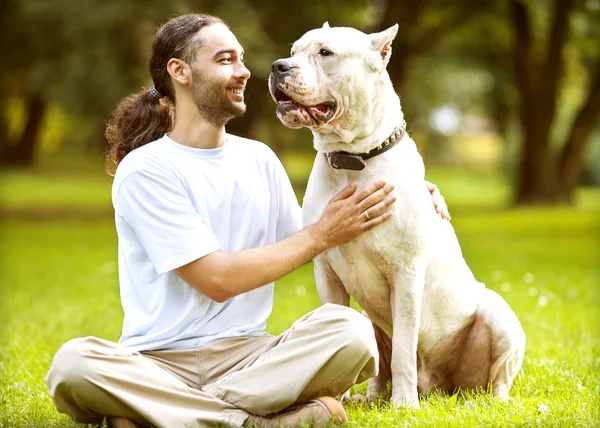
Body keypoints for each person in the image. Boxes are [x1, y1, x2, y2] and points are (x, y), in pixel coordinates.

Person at [45, 13, 449, 428]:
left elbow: (307, 243)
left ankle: (164, 413)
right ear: (179, 71)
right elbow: (218, 279)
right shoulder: (146, 169)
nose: (244, 71)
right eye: (225, 60)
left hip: (252, 357)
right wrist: (321, 233)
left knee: (352, 333)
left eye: (241, 59)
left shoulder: (259, 159)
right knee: (73, 366)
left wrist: (413, 192)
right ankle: (254, 421)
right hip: (158, 361)